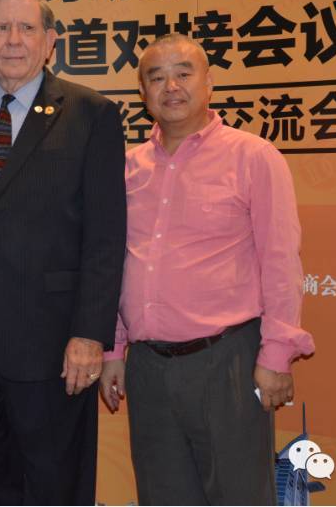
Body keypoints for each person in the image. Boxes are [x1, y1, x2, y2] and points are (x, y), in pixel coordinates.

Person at [0, 0, 127, 505]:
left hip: (54, 346)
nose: (13, 40)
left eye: (27, 28)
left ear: (50, 40)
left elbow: (106, 236)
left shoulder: (92, 114)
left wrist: (90, 334)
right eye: (1, 28)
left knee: (55, 488)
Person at [99, 33, 316, 505]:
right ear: (142, 92)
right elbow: (116, 262)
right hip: (148, 368)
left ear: (209, 82)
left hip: (228, 362)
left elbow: (281, 260)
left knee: (240, 496)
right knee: (161, 497)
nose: (171, 86)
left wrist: (276, 356)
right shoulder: (127, 168)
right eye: (157, 77)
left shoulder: (253, 156)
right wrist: (114, 348)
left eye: (183, 73)